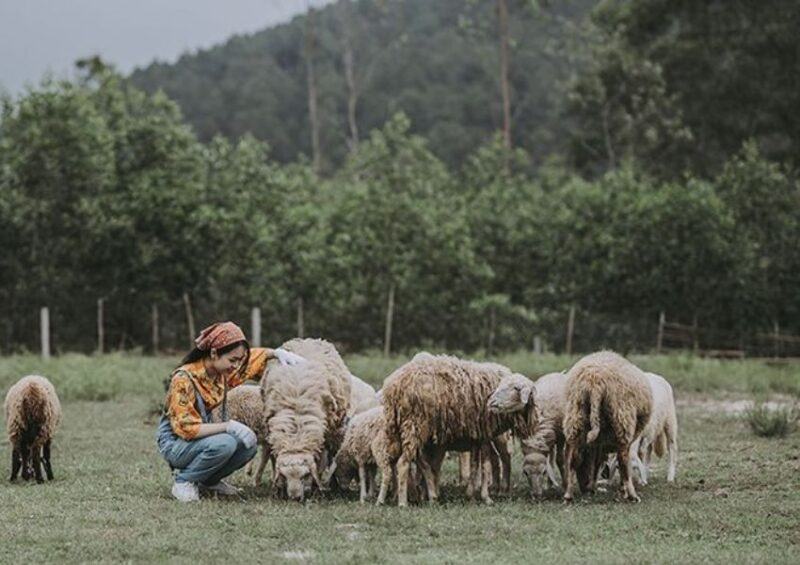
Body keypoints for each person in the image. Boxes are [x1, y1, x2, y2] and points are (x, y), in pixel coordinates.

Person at [155, 321, 304, 502]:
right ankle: (184, 481)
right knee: (225, 443)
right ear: (213, 353)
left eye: (238, 361)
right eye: (232, 360)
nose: (235, 365)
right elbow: (187, 428)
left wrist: (275, 353)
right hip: (176, 443)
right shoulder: (183, 379)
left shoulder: (221, 374)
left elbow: (251, 362)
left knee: (247, 446)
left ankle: (209, 481)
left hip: (200, 438)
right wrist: (228, 426)